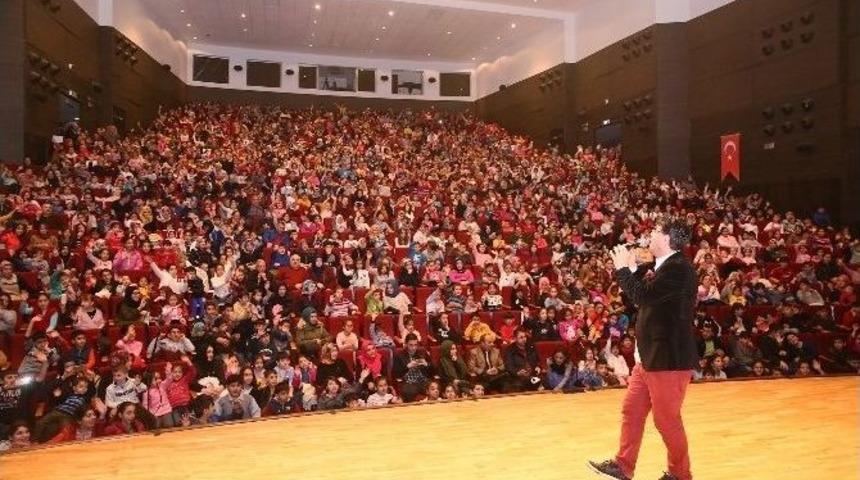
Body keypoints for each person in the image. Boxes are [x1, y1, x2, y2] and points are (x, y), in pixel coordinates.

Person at [590, 219, 699, 480]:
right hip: (650, 358)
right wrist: (632, 270)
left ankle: (680, 475)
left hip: (668, 359)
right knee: (632, 410)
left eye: (654, 231)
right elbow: (651, 294)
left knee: (666, 421)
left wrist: (622, 271)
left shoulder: (679, 269)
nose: (649, 234)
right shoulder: (667, 268)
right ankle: (623, 466)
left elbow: (643, 297)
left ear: (666, 238)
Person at [392, 333, 433, 402]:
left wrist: (426, 365)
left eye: (415, 345)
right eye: (411, 345)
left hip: (423, 381)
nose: (413, 348)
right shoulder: (399, 356)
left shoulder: (422, 353)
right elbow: (395, 374)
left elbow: (433, 371)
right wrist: (407, 366)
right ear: (406, 344)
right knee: (409, 391)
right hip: (409, 383)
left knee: (434, 387)